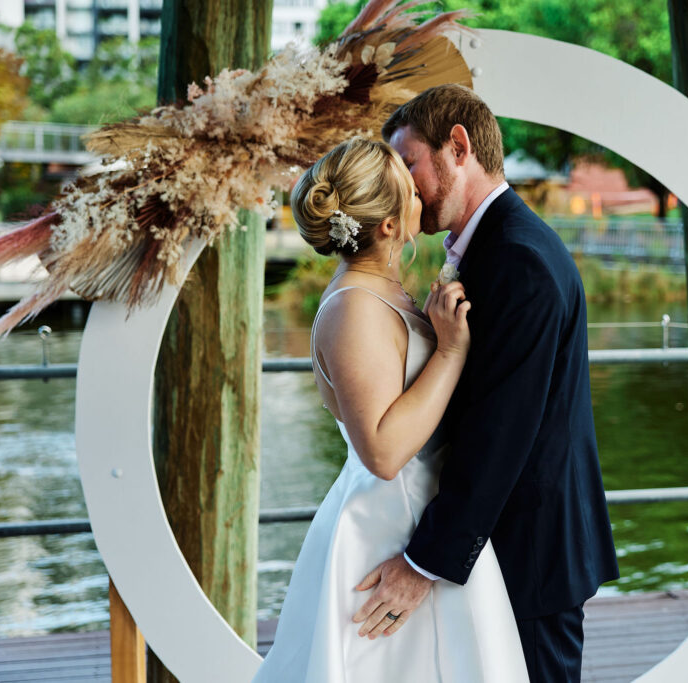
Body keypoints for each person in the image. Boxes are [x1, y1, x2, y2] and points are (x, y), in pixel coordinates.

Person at [352, 84, 620, 683]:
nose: (404, 184)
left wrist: (423, 565)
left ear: (458, 146)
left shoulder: (518, 260)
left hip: (530, 554)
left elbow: (502, 432)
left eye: (410, 163)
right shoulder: (490, 248)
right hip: (494, 549)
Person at [251, 136, 529, 682]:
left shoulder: (384, 294)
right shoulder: (354, 307)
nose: (420, 192)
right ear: (385, 225)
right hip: (387, 531)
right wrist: (450, 350)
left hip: (428, 521)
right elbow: (382, 451)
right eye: (407, 183)